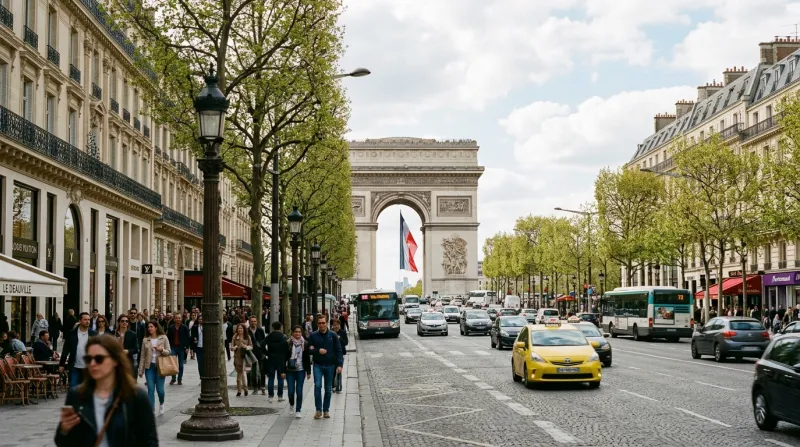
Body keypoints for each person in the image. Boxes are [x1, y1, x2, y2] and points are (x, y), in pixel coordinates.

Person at [55, 334, 158, 446]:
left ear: (115, 360)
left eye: (99, 359)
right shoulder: (77, 395)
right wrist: (64, 430)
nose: (92, 364)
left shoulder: (136, 396)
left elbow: (150, 441)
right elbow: (63, 442)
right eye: (88, 359)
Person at [308, 314, 343, 419]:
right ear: (317, 324)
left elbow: (338, 350)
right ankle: (318, 410)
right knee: (318, 386)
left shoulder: (333, 335)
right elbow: (309, 349)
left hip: (330, 365)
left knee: (328, 389)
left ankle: (326, 410)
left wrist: (339, 364)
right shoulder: (313, 335)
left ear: (327, 323)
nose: (321, 325)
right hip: (317, 365)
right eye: (319, 323)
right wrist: (317, 350)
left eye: (323, 323)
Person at [139, 321, 171, 414]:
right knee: (150, 389)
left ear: (156, 327)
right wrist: (140, 370)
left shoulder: (163, 338)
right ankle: (151, 409)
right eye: (148, 327)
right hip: (149, 367)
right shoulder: (145, 340)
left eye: (151, 326)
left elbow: (169, 352)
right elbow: (142, 356)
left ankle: (161, 402)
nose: (149, 328)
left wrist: (161, 350)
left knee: (160, 390)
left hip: (160, 367)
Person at [60, 312, 97, 387]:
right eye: (85, 320)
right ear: (80, 321)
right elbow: (65, 349)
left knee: (87, 389)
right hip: (75, 366)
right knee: (73, 388)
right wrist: (61, 364)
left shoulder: (93, 334)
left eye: (88, 320)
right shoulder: (72, 333)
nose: (87, 321)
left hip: (88, 367)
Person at [284, 325, 311, 418]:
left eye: (299, 332)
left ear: (301, 333)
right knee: (291, 391)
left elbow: (307, 358)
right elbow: (284, 357)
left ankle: (298, 410)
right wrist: (282, 371)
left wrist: (308, 372)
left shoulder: (305, 343)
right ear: (292, 333)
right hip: (290, 370)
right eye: (296, 332)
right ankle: (291, 404)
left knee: (299, 391)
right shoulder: (288, 343)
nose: (298, 333)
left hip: (301, 370)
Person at [264, 321, 288, 403]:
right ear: (280, 327)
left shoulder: (269, 336)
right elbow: (286, 348)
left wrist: (267, 353)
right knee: (280, 378)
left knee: (271, 378)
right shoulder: (283, 336)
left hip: (271, 359)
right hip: (280, 359)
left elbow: (262, 345)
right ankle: (280, 396)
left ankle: (270, 396)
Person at [166, 314, 190, 385]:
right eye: (176, 318)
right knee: (173, 364)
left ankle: (179, 379)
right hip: (173, 347)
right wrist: (168, 347)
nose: (178, 319)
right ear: (174, 319)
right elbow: (168, 338)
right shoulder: (171, 328)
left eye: (179, 318)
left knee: (181, 364)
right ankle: (173, 378)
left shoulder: (185, 328)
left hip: (181, 348)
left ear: (181, 319)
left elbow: (188, 338)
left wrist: (187, 347)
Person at [232, 323, 253, 397]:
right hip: (237, 357)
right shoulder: (235, 336)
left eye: (241, 328)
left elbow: (251, 346)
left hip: (244, 357)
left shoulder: (247, 336)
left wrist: (246, 346)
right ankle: (242, 389)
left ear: (244, 329)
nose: (240, 330)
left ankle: (241, 390)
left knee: (241, 374)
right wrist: (234, 348)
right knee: (240, 373)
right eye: (238, 328)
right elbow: (231, 347)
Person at [248, 317, 267, 395]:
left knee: (262, 371)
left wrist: (264, 352)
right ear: (249, 322)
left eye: (254, 321)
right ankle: (255, 388)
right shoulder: (247, 331)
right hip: (251, 353)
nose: (253, 323)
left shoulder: (260, 330)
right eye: (252, 321)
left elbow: (264, 341)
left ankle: (263, 387)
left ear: (257, 322)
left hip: (260, 353)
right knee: (253, 372)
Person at [331, 320, 348, 394]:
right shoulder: (330, 332)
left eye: (337, 325)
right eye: (335, 325)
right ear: (332, 326)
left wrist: (340, 338)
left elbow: (346, 343)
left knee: (339, 370)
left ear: (339, 325)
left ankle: (338, 386)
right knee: (332, 371)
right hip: (332, 354)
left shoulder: (343, 332)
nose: (336, 326)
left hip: (340, 354)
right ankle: (332, 386)